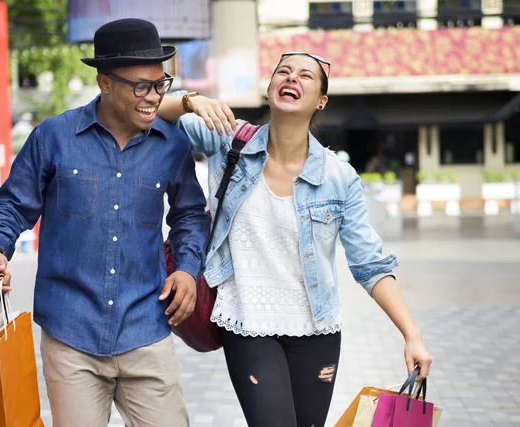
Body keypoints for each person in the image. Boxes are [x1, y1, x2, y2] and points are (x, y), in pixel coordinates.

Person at [157, 52, 432, 427]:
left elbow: (370, 264)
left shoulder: (339, 177)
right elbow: (151, 109)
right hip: (247, 320)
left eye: (305, 75)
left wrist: (411, 334)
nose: (292, 78)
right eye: (283, 72)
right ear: (270, 88)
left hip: (316, 328)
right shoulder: (229, 139)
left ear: (321, 100)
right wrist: (191, 100)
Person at [0, 19, 208, 427]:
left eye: (160, 85)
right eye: (141, 86)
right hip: (71, 335)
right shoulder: (53, 137)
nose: (153, 97)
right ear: (104, 82)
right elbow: (12, 205)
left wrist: (188, 269)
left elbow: (189, 214)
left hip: (146, 330)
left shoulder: (172, 146)